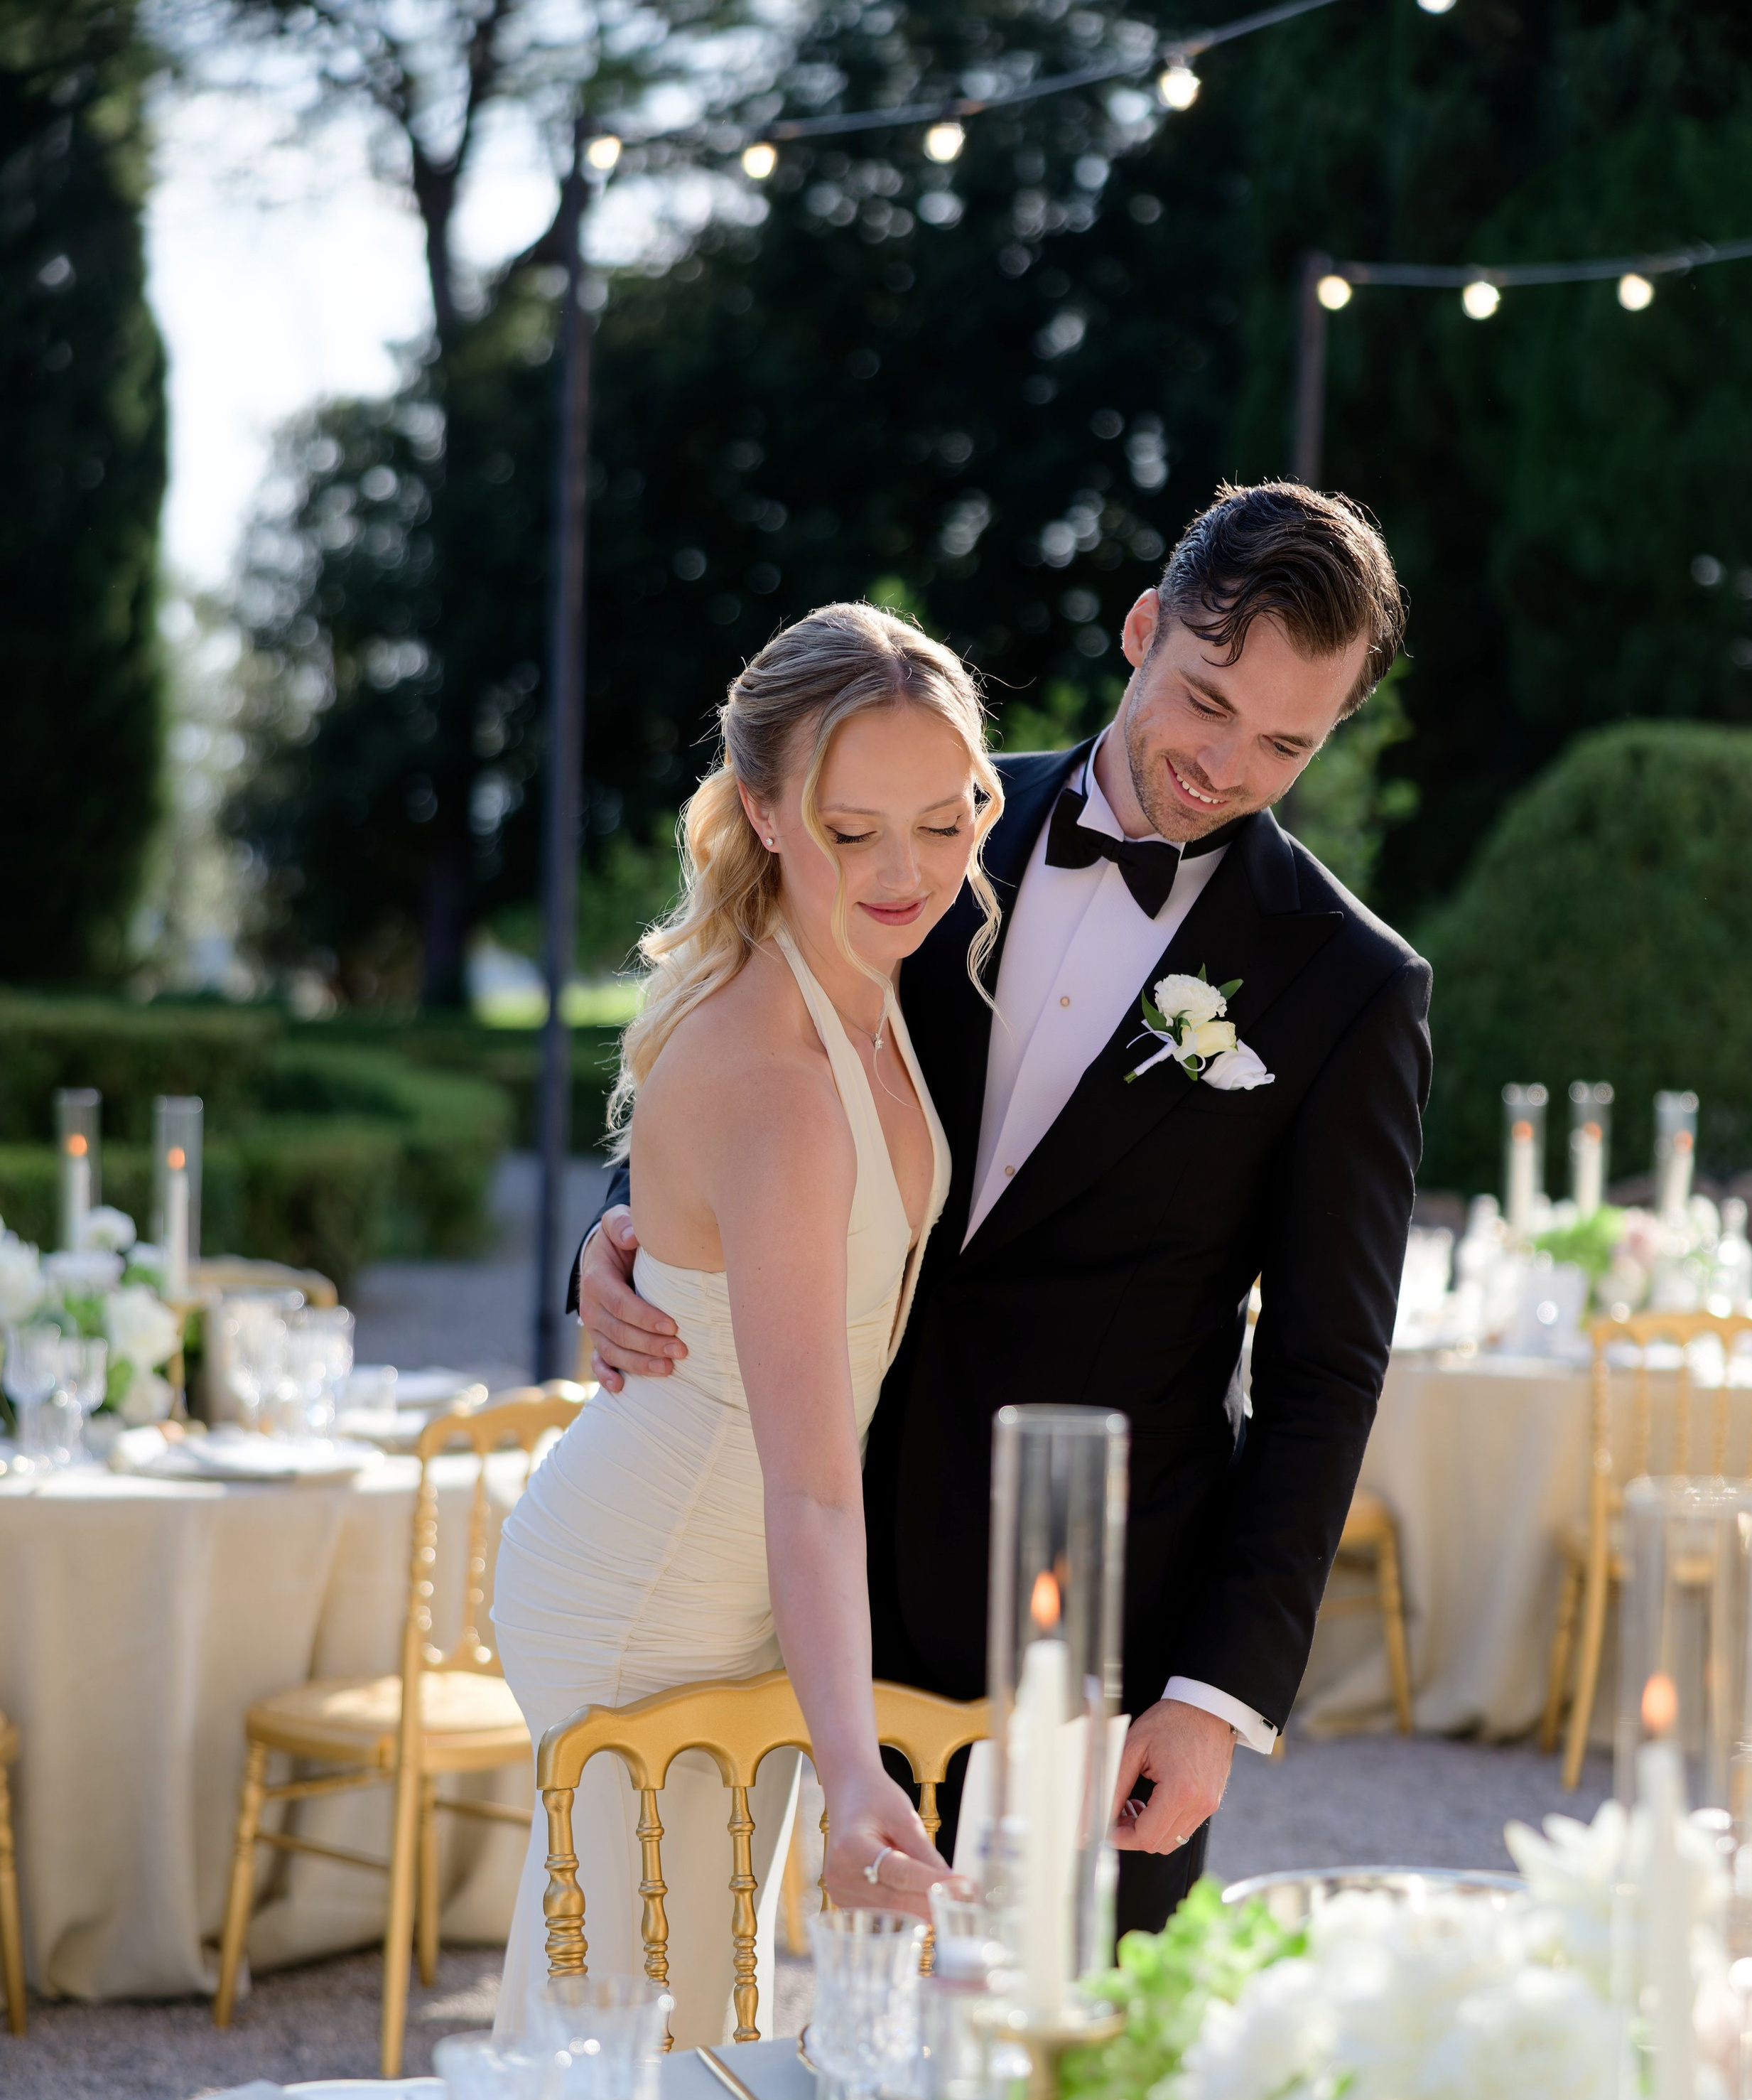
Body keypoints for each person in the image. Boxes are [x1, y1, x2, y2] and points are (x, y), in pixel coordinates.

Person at [578, 481, 1432, 1943]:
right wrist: (623, 1225)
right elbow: (744, 1031)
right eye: (1204, 702)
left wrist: (1215, 1696)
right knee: (731, 2033)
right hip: (784, 1542)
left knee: (1055, 2097)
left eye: (1285, 742)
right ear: (1143, 628)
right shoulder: (922, 813)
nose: (1224, 764)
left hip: (1087, 1627)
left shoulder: (1349, 990)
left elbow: (1318, 1374)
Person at [487, 601, 1002, 2043]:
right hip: (651, 1578)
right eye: (853, 833)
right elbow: (807, 1481)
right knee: (624, 2031)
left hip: (744, 1577)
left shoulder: (873, 975)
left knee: (698, 2011)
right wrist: (854, 1769)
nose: (908, 871)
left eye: (944, 816)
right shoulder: (776, 1070)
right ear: (767, 815)